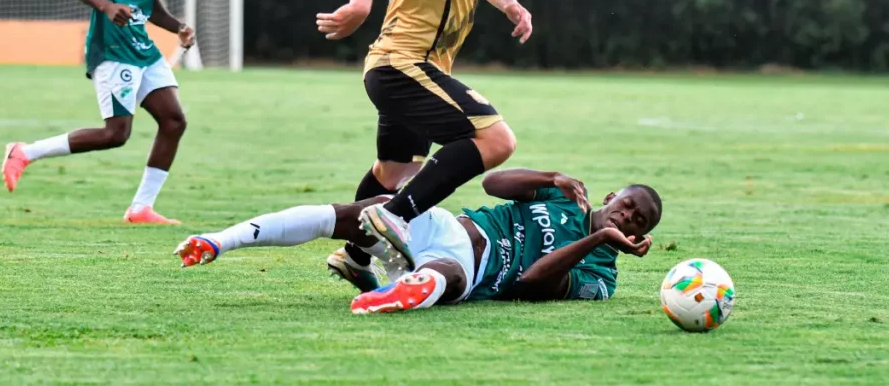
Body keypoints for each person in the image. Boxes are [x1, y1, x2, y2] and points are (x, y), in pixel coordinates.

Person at [314, 0, 533, 282]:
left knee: (394, 171)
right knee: (497, 141)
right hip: (402, 66)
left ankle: (355, 256)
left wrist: (508, 3)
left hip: (411, 70)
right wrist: (359, 4)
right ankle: (393, 219)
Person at [173, 168, 661, 314]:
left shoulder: (600, 279)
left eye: (637, 221)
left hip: (474, 271)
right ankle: (221, 240)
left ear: (637, 237)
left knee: (446, 277)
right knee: (354, 212)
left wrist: (597, 239)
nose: (627, 216)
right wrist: (551, 175)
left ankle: (393, 288)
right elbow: (493, 185)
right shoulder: (566, 196)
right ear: (614, 194)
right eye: (628, 204)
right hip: (446, 226)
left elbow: (530, 285)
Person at [0, 0, 195, 225]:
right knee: (115, 133)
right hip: (112, 47)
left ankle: (141, 208)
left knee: (174, 120)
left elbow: (149, 3)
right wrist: (106, 6)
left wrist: (178, 26)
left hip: (142, 47)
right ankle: (24, 152)